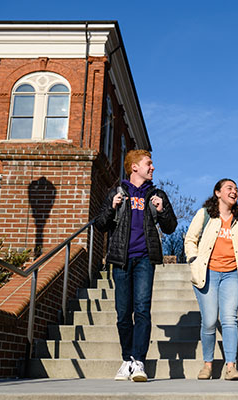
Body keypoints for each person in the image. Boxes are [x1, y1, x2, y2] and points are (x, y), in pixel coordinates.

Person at [95, 149, 177, 382]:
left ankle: (139, 361)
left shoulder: (157, 193)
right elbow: (100, 224)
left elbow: (171, 227)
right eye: (148, 164)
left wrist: (161, 210)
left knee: (141, 310)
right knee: (123, 314)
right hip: (121, 259)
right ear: (134, 167)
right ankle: (127, 360)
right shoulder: (117, 192)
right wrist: (111, 207)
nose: (153, 168)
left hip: (144, 259)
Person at [184, 178, 238, 380]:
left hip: (232, 273)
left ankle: (231, 367)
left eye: (236, 189)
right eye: (229, 188)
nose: (234, 192)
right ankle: (208, 365)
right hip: (208, 273)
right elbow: (190, 238)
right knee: (209, 321)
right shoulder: (205, 215)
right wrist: (194, 260)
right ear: (218, 193)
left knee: (230, 319)